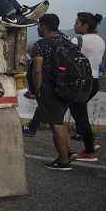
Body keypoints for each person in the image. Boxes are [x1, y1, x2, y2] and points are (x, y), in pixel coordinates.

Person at [32, 14, 75, 170]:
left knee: (55, 125)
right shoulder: (66, 42)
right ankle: (68, 152)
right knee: (60, 122)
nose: (37, 28)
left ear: (43, 26)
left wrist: (37, 90)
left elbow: (37, 70)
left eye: (38, 25)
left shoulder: (41, 45)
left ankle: (63, 160)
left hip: (49, 90)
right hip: (67, 88)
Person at [68, 12, 105, 161]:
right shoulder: (100, 40)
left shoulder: (78, 40)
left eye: (77, 23)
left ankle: (90, 151)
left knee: (81, 115)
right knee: (74, 107)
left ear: (85, 25)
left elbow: (66, 57)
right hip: (94, 81)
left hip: (82, 82)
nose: (74, 25)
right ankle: (89, 141)